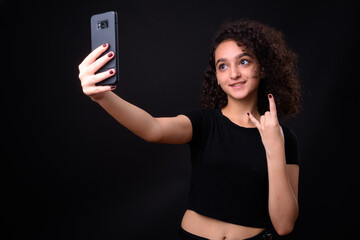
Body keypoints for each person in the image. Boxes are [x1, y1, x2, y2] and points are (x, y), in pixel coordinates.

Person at [78, 19, 301, 240]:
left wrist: (274, 149)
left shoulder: (284, 138)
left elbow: (284, 225)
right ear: (217, 76)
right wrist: (102, 97)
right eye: (222, 66)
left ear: (263, 68)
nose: (233, 74)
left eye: (243, 62)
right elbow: (152, 128)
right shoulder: (204, 123)